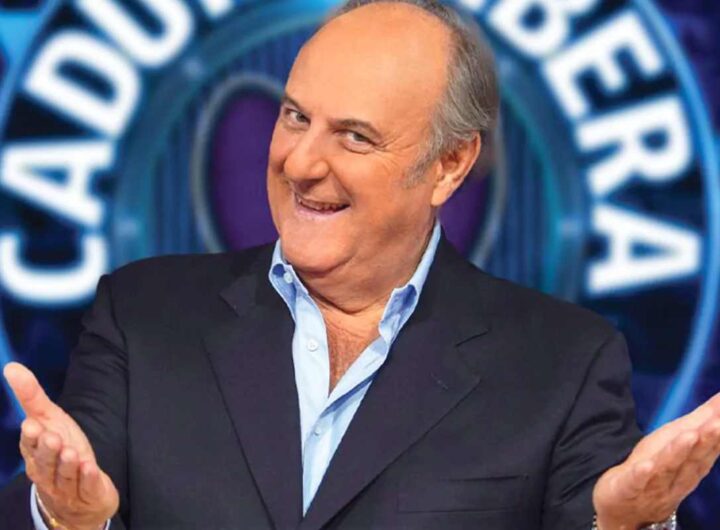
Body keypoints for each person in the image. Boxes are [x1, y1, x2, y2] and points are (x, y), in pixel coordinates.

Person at [2, 1, 719, 529]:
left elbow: (596, 512)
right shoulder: (142, 315)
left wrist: (626, 524)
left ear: (449, 164)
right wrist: (65, 518)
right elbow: (64, 496)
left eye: (353, 136)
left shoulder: (565, 361)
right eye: (294, 116)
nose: (301, 164)